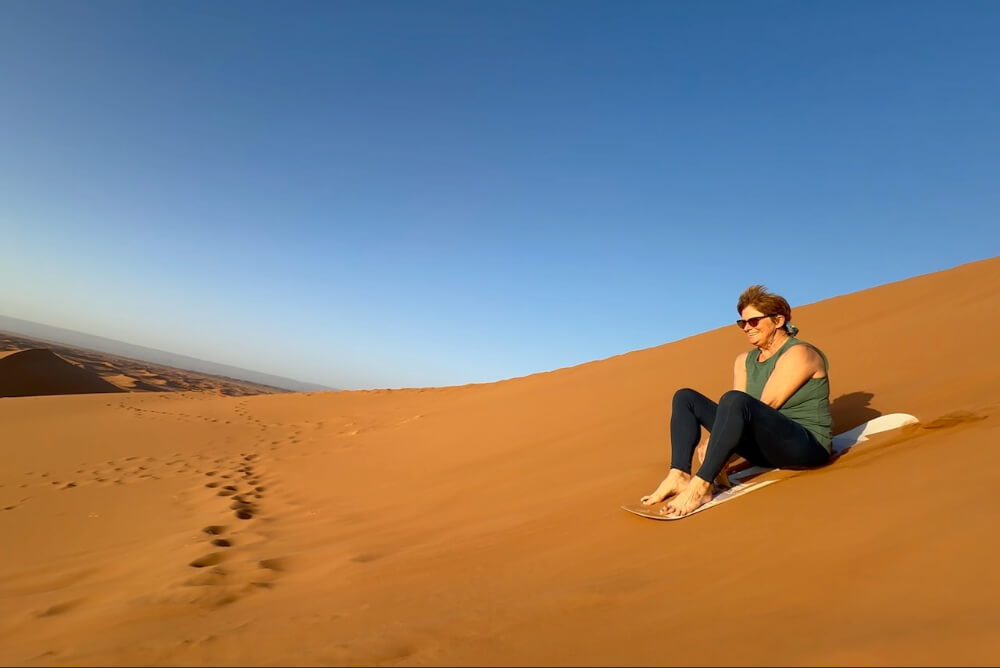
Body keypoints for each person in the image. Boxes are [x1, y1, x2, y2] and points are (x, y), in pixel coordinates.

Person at [640, 284, 833, 517]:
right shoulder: (744, 360)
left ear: (779, 320)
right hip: (766, 450)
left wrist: (716, 447)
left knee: (733, 400)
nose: (746, 328)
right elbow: (736, 417)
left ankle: (701, 486)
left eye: (754, 321)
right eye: (742, 323)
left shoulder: (799, 353)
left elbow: (765, 405)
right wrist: (721, 444)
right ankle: (678, 475)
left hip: (805, 448)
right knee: (686, 398)